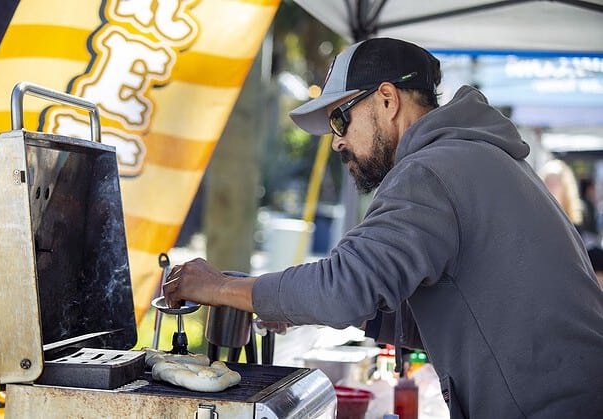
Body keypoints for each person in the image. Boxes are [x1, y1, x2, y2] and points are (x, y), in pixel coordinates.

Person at [164, 38, 603, 418]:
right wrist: (285, 301)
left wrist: (217, 286)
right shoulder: (482, 157)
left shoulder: (432, 170)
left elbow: (343, 287)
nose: (337, 140)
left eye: (340, 119)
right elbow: (455, 310)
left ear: (388, 100)